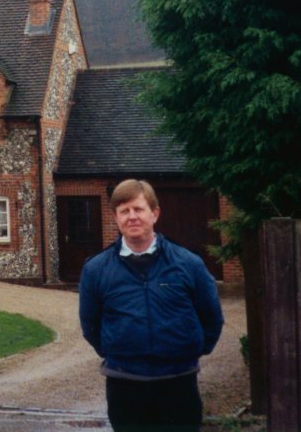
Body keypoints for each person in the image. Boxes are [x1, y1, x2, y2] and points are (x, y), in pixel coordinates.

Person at [78, 179, 224, 431]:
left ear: (155, 214)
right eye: (124, 211)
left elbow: (212, 318)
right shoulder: (96, 269)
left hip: (178, 382)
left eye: (138, 209)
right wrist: (117, 352)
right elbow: (90, 325)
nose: (132, 217)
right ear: (115, 217)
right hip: (125, 385)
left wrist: (189, 351)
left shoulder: (188, 264)